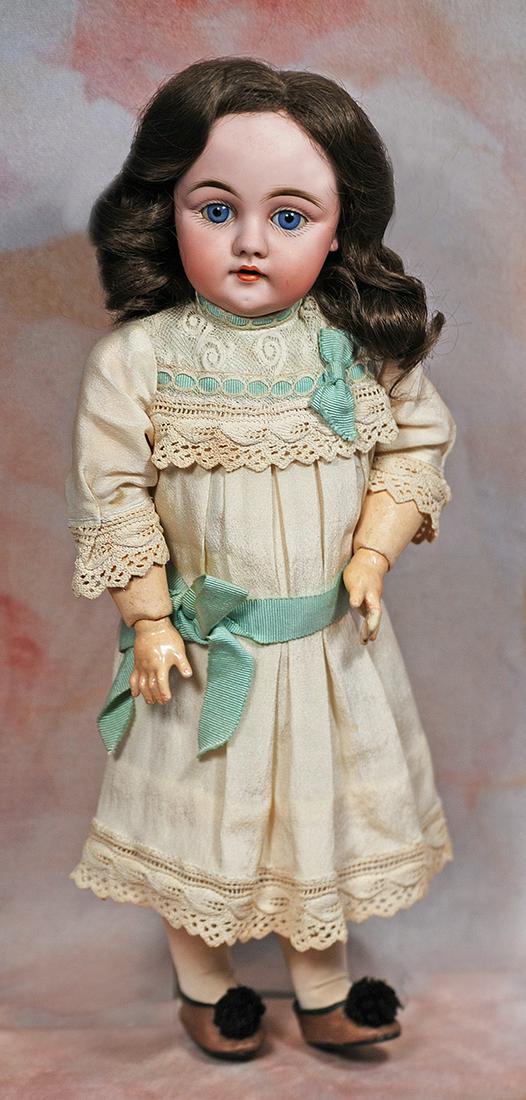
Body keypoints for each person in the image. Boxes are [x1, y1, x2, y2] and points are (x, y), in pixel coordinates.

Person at [66, 56, 457, 1060]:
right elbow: (113, 494)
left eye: (288, 216)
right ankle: (207, 984)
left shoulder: (354, 344)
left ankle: (322, 988)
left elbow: (417, 440)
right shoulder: (140, 360)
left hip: (329, 652)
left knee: (313, 820)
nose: (249, 241)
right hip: (205, 653)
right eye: (215, 209)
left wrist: (371, 552)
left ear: (338, 227)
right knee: (197, 821)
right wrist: (149, 618)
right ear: (167, 212)